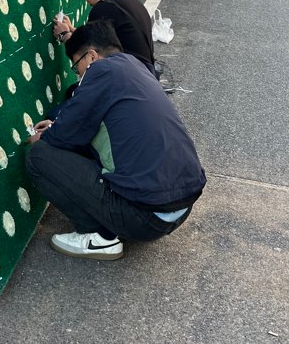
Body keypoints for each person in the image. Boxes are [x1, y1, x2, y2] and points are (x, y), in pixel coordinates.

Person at [26, 20, 206, 260]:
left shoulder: (100, 71)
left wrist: (45, 134)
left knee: (39, 156)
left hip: (144, 219)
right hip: (181, 206)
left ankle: (101, 236)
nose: (78, 74)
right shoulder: (136, 66)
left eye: (76, 67)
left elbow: (65, 134)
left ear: (91, 57)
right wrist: (57, 125)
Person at [52, 0, 155, 73]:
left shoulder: (103, 8)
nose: (88, 2)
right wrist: (73, 31)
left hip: (127, 77)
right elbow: (111, 39)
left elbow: (87, 55)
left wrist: (64, 34)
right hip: (146, 75)